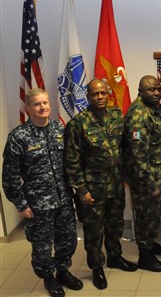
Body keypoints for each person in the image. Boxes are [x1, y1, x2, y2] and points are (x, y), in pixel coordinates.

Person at [2, 89, 83, 297]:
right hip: (38, 205)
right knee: (42, 247)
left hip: (63, 200)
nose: (43, 107)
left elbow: (70, 163)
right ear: (28, 108)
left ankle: (63, 271)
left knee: (68, 241)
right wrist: (21, 204)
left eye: (45, 103)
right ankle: (48, 277)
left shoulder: (58, 128)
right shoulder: (18, 137)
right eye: (37, 104)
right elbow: (9, 177)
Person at [64, 80, 137, 290]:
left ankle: (115, 256)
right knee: (94, 231)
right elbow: (71, 161)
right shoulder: (78, 124)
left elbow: (123, 148)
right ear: (88, 97)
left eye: (103, 93)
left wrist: (125, 176)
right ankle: (96, 267)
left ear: (109, 94)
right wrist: (82, 190)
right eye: (95, 94)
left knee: (115, 225)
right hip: (93, 191)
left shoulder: (116, 117)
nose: (100, 97)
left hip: (115, 186)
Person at [124, 75, 161, 272]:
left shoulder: (151, 109)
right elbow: (138, 155)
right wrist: (150, 183)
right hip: (145, 179)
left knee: (153, 214)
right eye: (151, 90)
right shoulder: (139, 115)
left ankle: (150, 244)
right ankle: (145, 257)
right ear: (140, 91)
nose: (156, 92)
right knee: (145, 216)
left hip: (154, 174)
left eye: (158, 89)